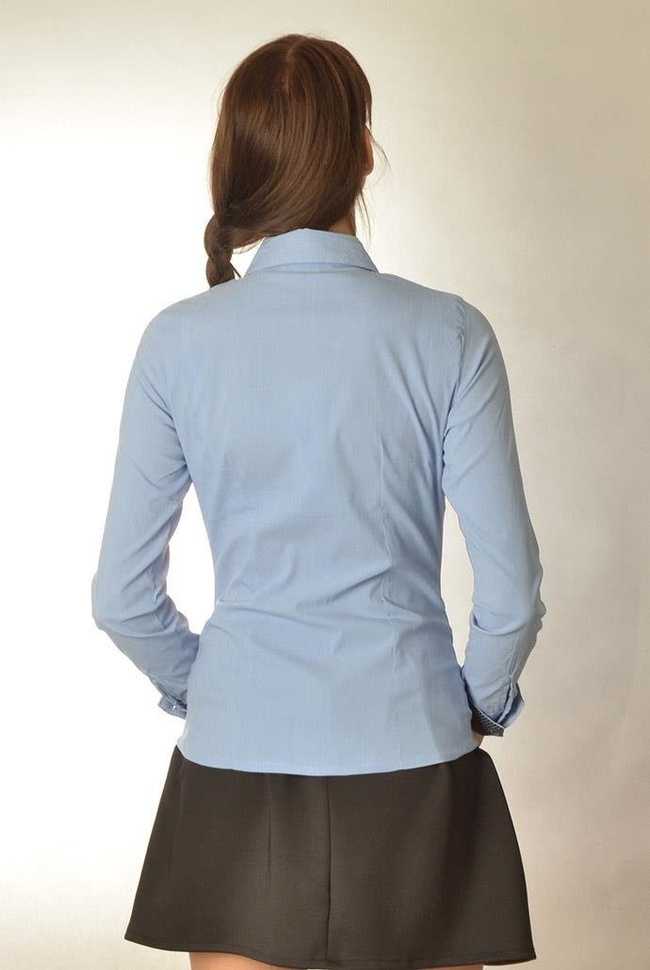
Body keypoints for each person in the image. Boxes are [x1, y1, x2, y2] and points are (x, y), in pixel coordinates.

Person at [91, 32, 546, 970]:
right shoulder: (450, 334)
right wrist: (476, 705)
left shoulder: (176, 342)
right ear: (364, 153)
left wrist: (212, 687)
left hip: (236, 769)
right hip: (417, 764)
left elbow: (122, 600)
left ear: (239, 160)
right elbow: (511, 594)